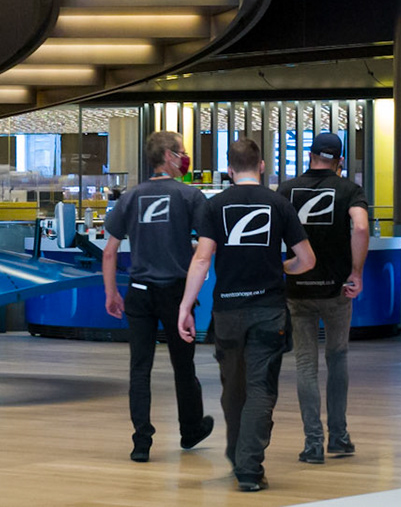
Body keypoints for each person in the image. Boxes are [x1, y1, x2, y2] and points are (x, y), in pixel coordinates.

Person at [179, 139, 316, 494]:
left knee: (232, 390)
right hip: (269, 311)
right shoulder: (280, 204)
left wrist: (185, 307)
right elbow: (308, 260)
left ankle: (240, 457)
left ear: (229, 170)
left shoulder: (214, 205)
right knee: (260, 389)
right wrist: (281, 265)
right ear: (262, 166)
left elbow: (202, 259)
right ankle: (250, 468)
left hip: (227, 311)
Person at [101, 131, 214, 463]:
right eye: (181, 152)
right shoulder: (190, 197)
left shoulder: (130, 197)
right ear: (168, 156)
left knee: (140, 368)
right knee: (183, 364)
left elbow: (110, 252)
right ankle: (190, 428)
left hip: (137, 293)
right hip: (176, 295)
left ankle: (141, 442)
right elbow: (205, 248)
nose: (185, 157)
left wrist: (111, 293)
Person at [278, 133, 369, 464]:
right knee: (337, 358)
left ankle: (313, 443)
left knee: (305, 364)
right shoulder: (349, 190)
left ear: (310, 155)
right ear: (339, 161)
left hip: (298, 289)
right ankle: (339, 437)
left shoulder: (286, 190)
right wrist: (356, 273)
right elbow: (359, 228)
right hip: (336, 290)